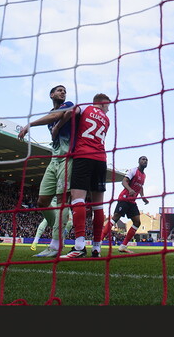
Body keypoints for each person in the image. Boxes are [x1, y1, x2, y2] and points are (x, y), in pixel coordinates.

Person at [18, 84, 76, 257]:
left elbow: (58, 116)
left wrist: (30, 124)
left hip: (67, 158)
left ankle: (56, 244)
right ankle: (60, 231)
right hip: (54, 160)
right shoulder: (50, 116)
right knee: (42, 201)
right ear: (51, 95)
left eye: (64, 91)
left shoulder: (68, 105)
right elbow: (53, 118)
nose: (63, 92)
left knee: (62, 200)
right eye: (59, 90)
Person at [62, 93, 114, 259]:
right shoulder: (107, 120)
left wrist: (60, 126)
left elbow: (69, 113)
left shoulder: (85, 107)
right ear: (103, 103)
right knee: (98, 206)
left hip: (83, 156)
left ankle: (79, 246)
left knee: (78, 199)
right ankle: (97, 248)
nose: (108, 109)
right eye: (108, 106)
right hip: (101, 160)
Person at [100, 155, 150, 254]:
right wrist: (130, 189)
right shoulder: (133, 171)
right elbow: (124, 181)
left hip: (132, 201)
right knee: (115, 218)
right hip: (124, 198)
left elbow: (140, 187)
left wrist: (143, 197)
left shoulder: (144, 176)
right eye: (143, 159)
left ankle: (123, 246)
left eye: (146, 160)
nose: (145, 161)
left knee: (137, 222)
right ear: (139, 161)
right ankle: (99, 241)